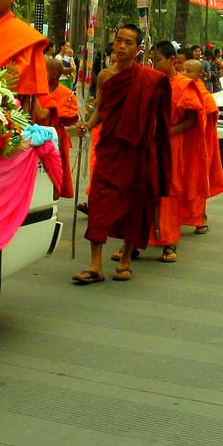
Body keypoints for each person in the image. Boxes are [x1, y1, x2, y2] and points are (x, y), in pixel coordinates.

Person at [72, 24, 171, 284]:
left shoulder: (150, 79)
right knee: (100, 203)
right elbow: (101, 109)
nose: (122, 47)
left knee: (133, 204)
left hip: (137, 150)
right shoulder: (106, 76)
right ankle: (95, 264)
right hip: (111, 149)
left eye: (128, 42)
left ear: (138, 49)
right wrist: (88, 124)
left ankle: (126, 257)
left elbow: (160, 119)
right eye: (119, 41)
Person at [145, 41, 205, 263]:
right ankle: (138, 240)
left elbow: (191, 120)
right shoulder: (151, 81)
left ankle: (169, 242)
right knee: (146, 190)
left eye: (158, 59)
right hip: (150, 144)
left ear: (172, 60)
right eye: (152, 60)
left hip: (173, 145)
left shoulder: (183, 85)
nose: (154, 63)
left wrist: (168, 132)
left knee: (169, 192)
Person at [181, 58, 223, 234]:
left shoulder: (204, 94)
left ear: (200, 75)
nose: (184, 74)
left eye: (189, 71)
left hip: (200, 144)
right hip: (182, 142)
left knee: (198, 179)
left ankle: (200, 216)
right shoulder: (181, 87)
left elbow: (207, 121)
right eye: (183, 69)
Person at [34, 56, 80, 198]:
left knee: (51, 178)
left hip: (53, 140)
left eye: (43, 70)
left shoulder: (63, 94)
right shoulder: (38, 91)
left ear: (53, 74)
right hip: (33, 138)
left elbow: (44, 115)